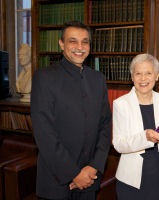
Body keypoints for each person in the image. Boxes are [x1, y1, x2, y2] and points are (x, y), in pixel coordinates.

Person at [31, 21, 112, 199]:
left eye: (85, 42)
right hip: (56, 181)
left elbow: (105, 126)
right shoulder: (44, 78)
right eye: (72, 41)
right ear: (61, 44)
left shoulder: (98, 79)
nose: (79, 47)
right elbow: (44, 134)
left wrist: (94, 166)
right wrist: (74, 174)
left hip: (91, 179)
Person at [112, 53, 159, 200]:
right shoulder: (121, 104)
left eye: (148, 73)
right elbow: (119, 144)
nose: (143, 78)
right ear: (132, 77)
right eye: (138, 73)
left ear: (157, 76)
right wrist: (144, 137)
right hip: (130, 180)